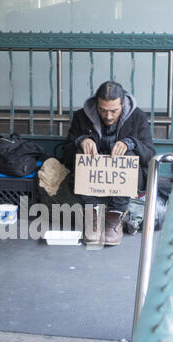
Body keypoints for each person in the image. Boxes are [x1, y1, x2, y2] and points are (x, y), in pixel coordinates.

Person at [63, 80, 156, 245]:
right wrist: (80, 140)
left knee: (127, 154)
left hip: (127, 182)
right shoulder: (81, 116)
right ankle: (92, 217)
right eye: (103, 110)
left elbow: (150, 155)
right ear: (96, 104)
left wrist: (131, 143)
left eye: (114, 110)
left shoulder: (137, 117)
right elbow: (67, 154)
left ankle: (114, 219)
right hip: (92, 182)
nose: (108, 116)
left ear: (123, 104)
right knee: (81, 152)